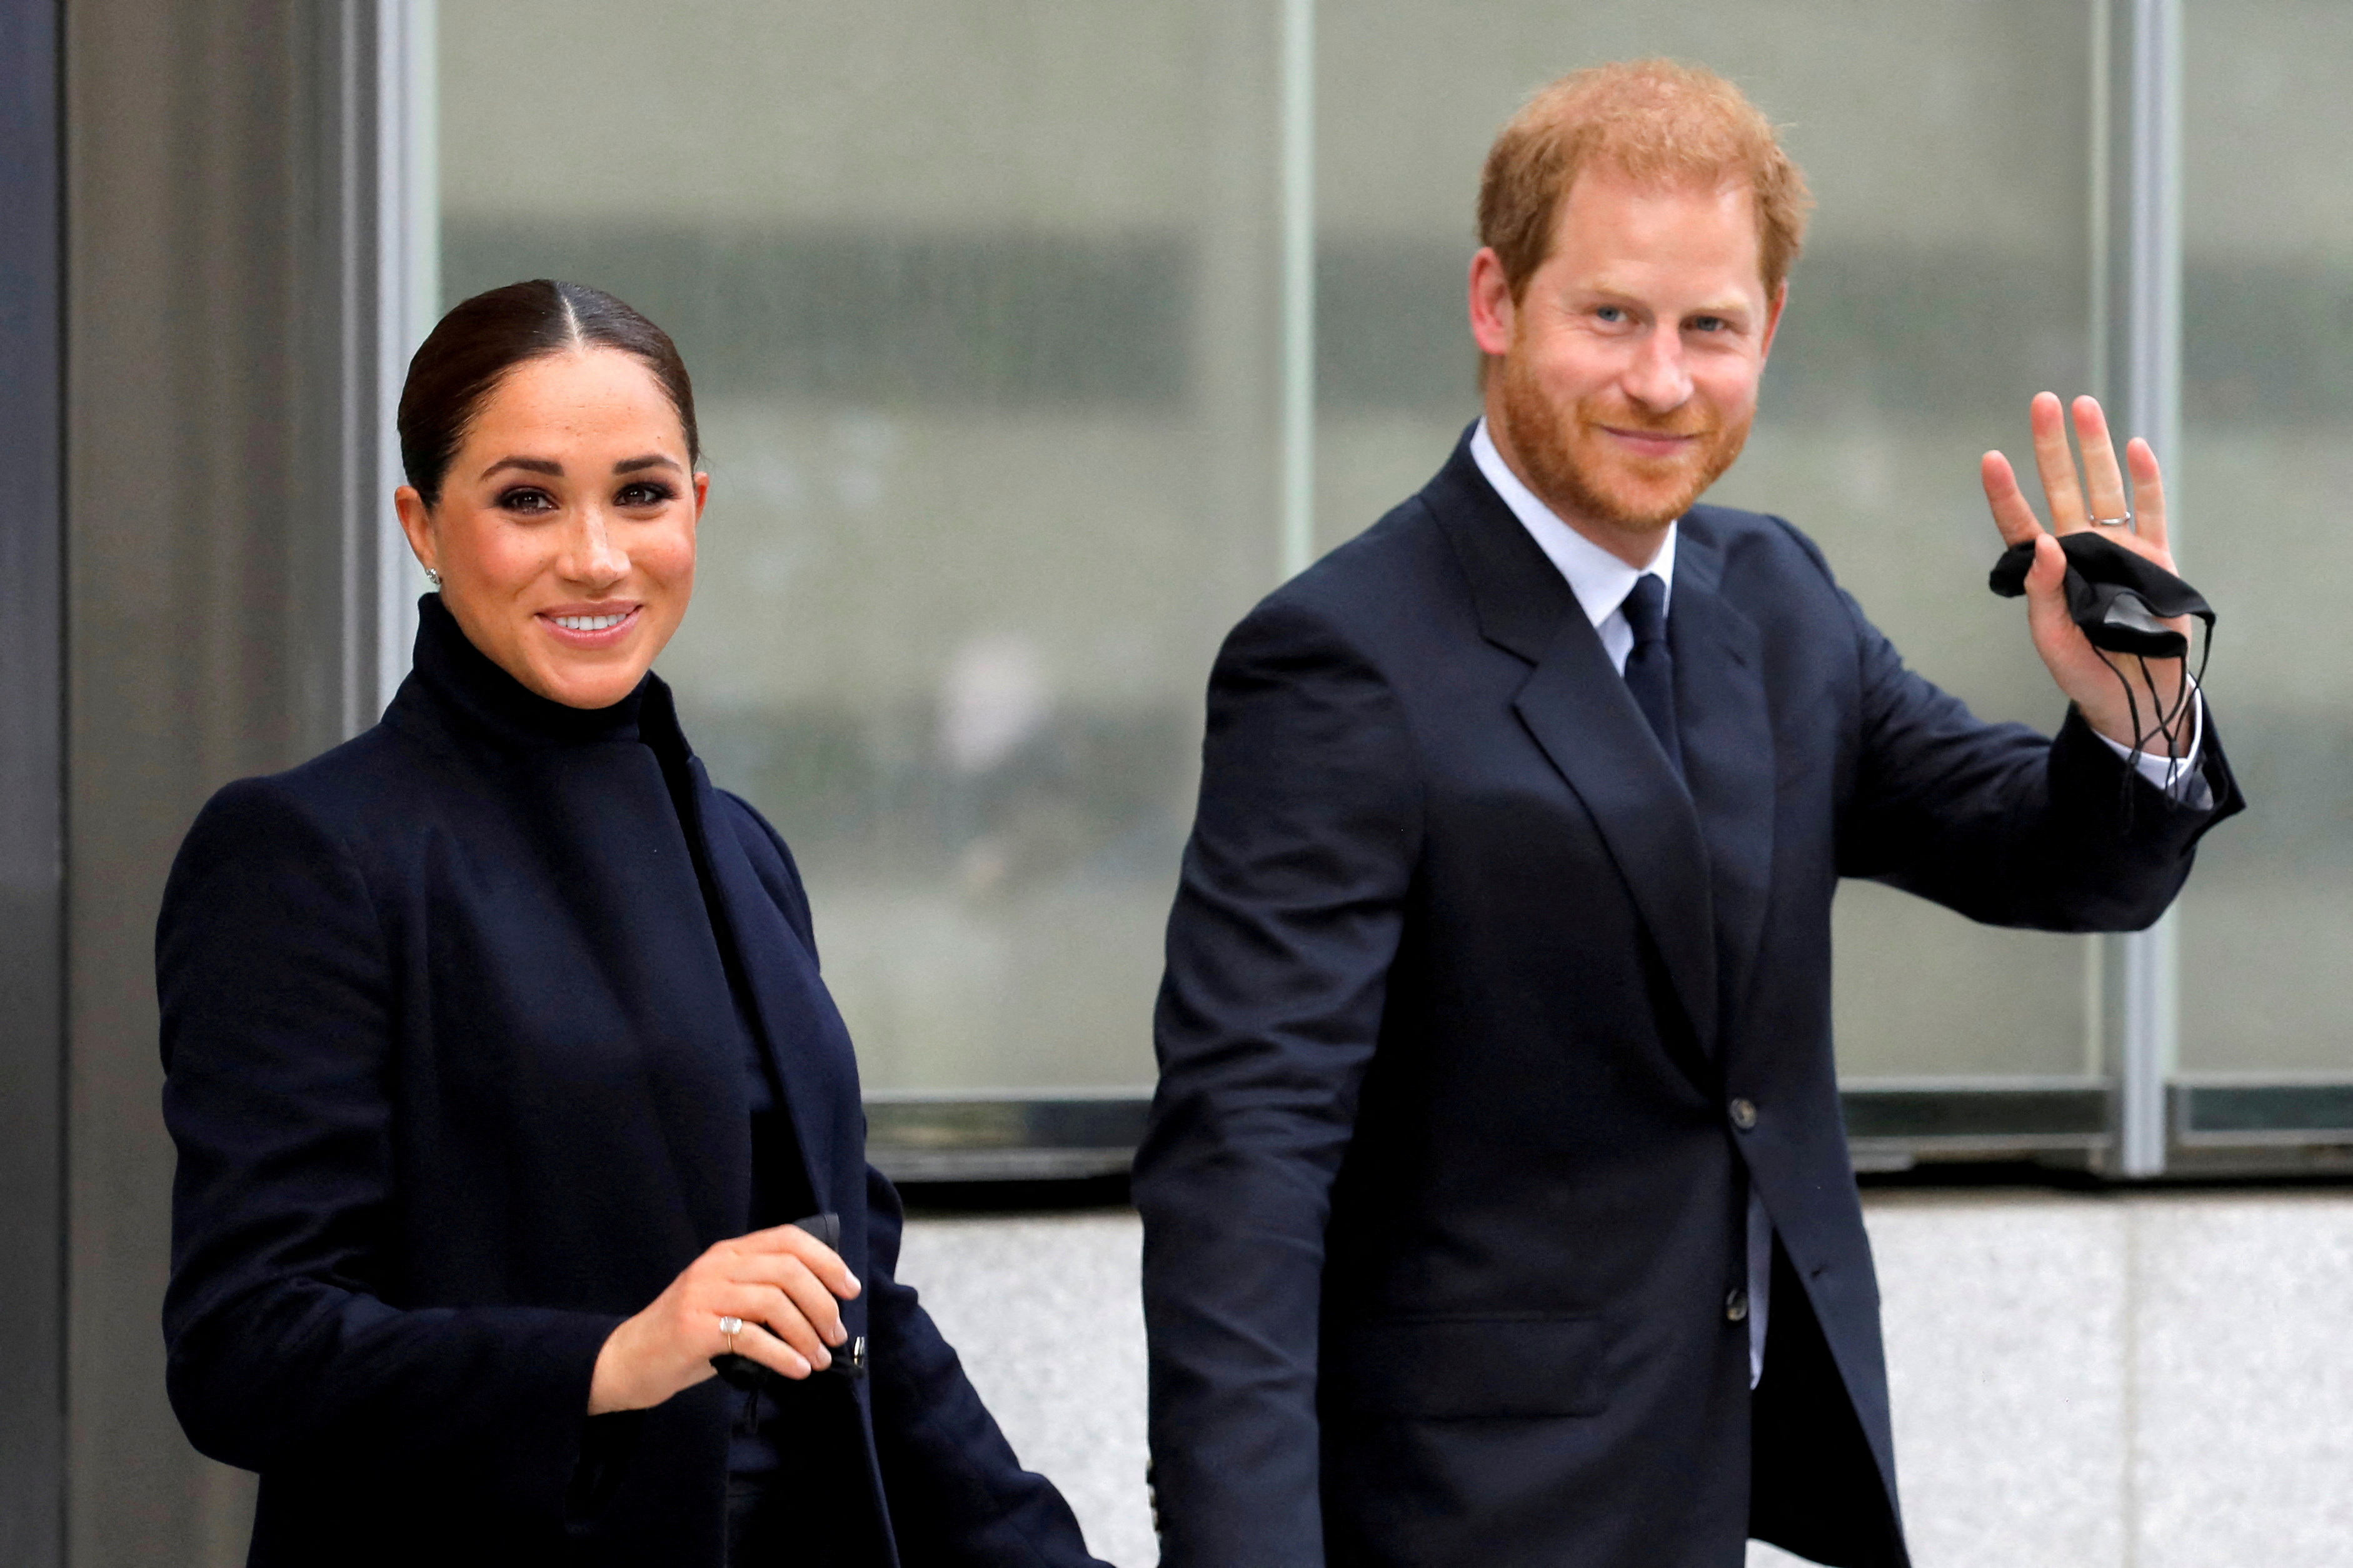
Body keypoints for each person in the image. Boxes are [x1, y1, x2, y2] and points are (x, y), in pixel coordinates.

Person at [1135, 59, 2242, 1568]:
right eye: (1611, 317)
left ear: (1767, 330)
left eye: (1709, 326)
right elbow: (1243, 1166)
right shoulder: (1341, 658)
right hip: (1457, 1520)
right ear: (1492, 299)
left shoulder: (1773, 596)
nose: (1662, 379)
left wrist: (2134, 712)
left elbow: (2047, 859)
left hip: (1726, 1493)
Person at [158, 279, 1107, 1568]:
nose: (596, 555)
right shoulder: (310, 853)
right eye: (527, 498)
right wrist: (612, 1356)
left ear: (697, 511)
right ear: (422, 525)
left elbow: (855, 1305)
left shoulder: (746, 855)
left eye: (642, 493)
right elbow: (247, 1348)